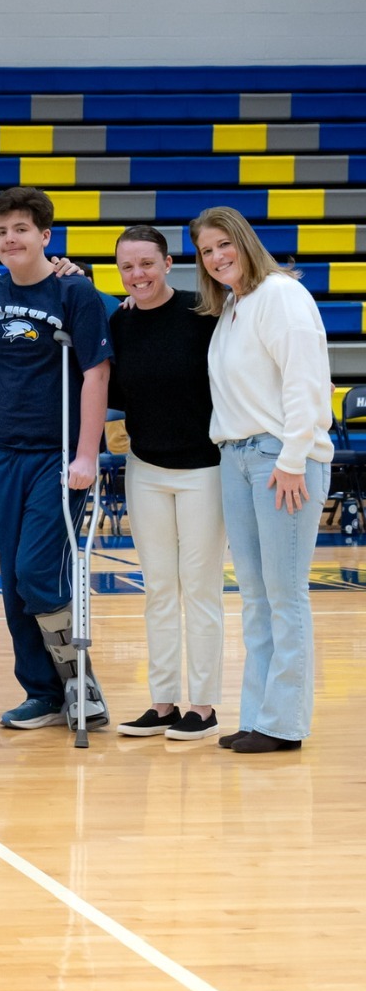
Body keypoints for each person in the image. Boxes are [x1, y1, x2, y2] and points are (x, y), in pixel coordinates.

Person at [0, 187, 112, 732]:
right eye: (1, 231)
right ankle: (41, 692)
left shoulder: (76, 293)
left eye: (21, 229)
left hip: (58, 454)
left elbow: (95, 373)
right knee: (11, 576)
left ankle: (79, 678)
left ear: (45, 236)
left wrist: (88, 453)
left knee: (37, 570)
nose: (10, 239)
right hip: (4, 452)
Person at [193, 206, 333, 755]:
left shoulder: (280, 294)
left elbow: (306, 381)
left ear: (244, 241)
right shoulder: (232, 305)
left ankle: (285, 723)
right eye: (207, 251)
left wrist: (295, 457)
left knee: (284, 595)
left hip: (281, 457)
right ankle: (258, 716)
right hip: (237, 455)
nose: (217, 256)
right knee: (254, 596)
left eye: (224, 244)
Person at [105, 225, 225, 741]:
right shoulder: (120, 322)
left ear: (168, 263)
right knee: (158, 588)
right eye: (127, 267)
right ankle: (163, 702)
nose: (138, 275)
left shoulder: (205, 313)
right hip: (145, 470)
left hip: (205, 471)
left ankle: (203, 706)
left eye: (146, 264)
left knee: (199, 589)